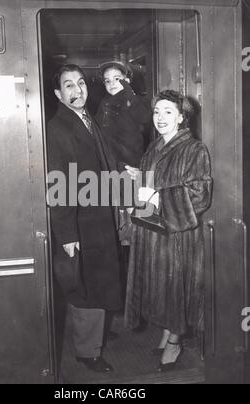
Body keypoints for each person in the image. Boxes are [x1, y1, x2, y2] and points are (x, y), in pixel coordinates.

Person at [125, 90, 213, 372]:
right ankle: (167, 331)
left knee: (176, 289)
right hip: (154, 232)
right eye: (156, 112)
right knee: (161, 288)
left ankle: (175, 340)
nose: (160, 118)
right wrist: (139, 180)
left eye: (167, 112)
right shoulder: (154, 147)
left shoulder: (194, 149)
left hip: (178, 235)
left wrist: (160, 197)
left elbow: (200, 194)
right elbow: (156, 182)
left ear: (181, 117)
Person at [47, 65, 122, 374]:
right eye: (68, 86)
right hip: (80, 222)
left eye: (80, 83)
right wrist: (66, 235)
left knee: (99, 280)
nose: (77, 90)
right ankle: (87, 352)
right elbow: (57, 183)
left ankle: (97, 332)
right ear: (58, 94)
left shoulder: (87, 119)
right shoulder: (58, 128)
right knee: (84, 285)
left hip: (98, 217)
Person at [95, 60, 150, 169]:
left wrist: (130, 95)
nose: (112, 84)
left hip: (130, 160)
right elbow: (97, 126)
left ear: (127, 80)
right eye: (107, 81)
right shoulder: (104, 103)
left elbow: (144, 117)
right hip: (110, 159)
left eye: (117, 79)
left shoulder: (132, 100)